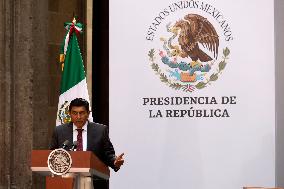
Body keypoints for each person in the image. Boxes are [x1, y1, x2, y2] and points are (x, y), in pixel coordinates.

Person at [50, 98, 124, 188]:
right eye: (74, 113)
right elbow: (52, 155)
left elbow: (108, 154)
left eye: (81, 113)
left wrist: (114, 162)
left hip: (93, 181)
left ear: (88, 113)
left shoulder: (100, 130)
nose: (78, 116)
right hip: (66, 181)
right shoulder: (59, 131)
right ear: (69, 114)